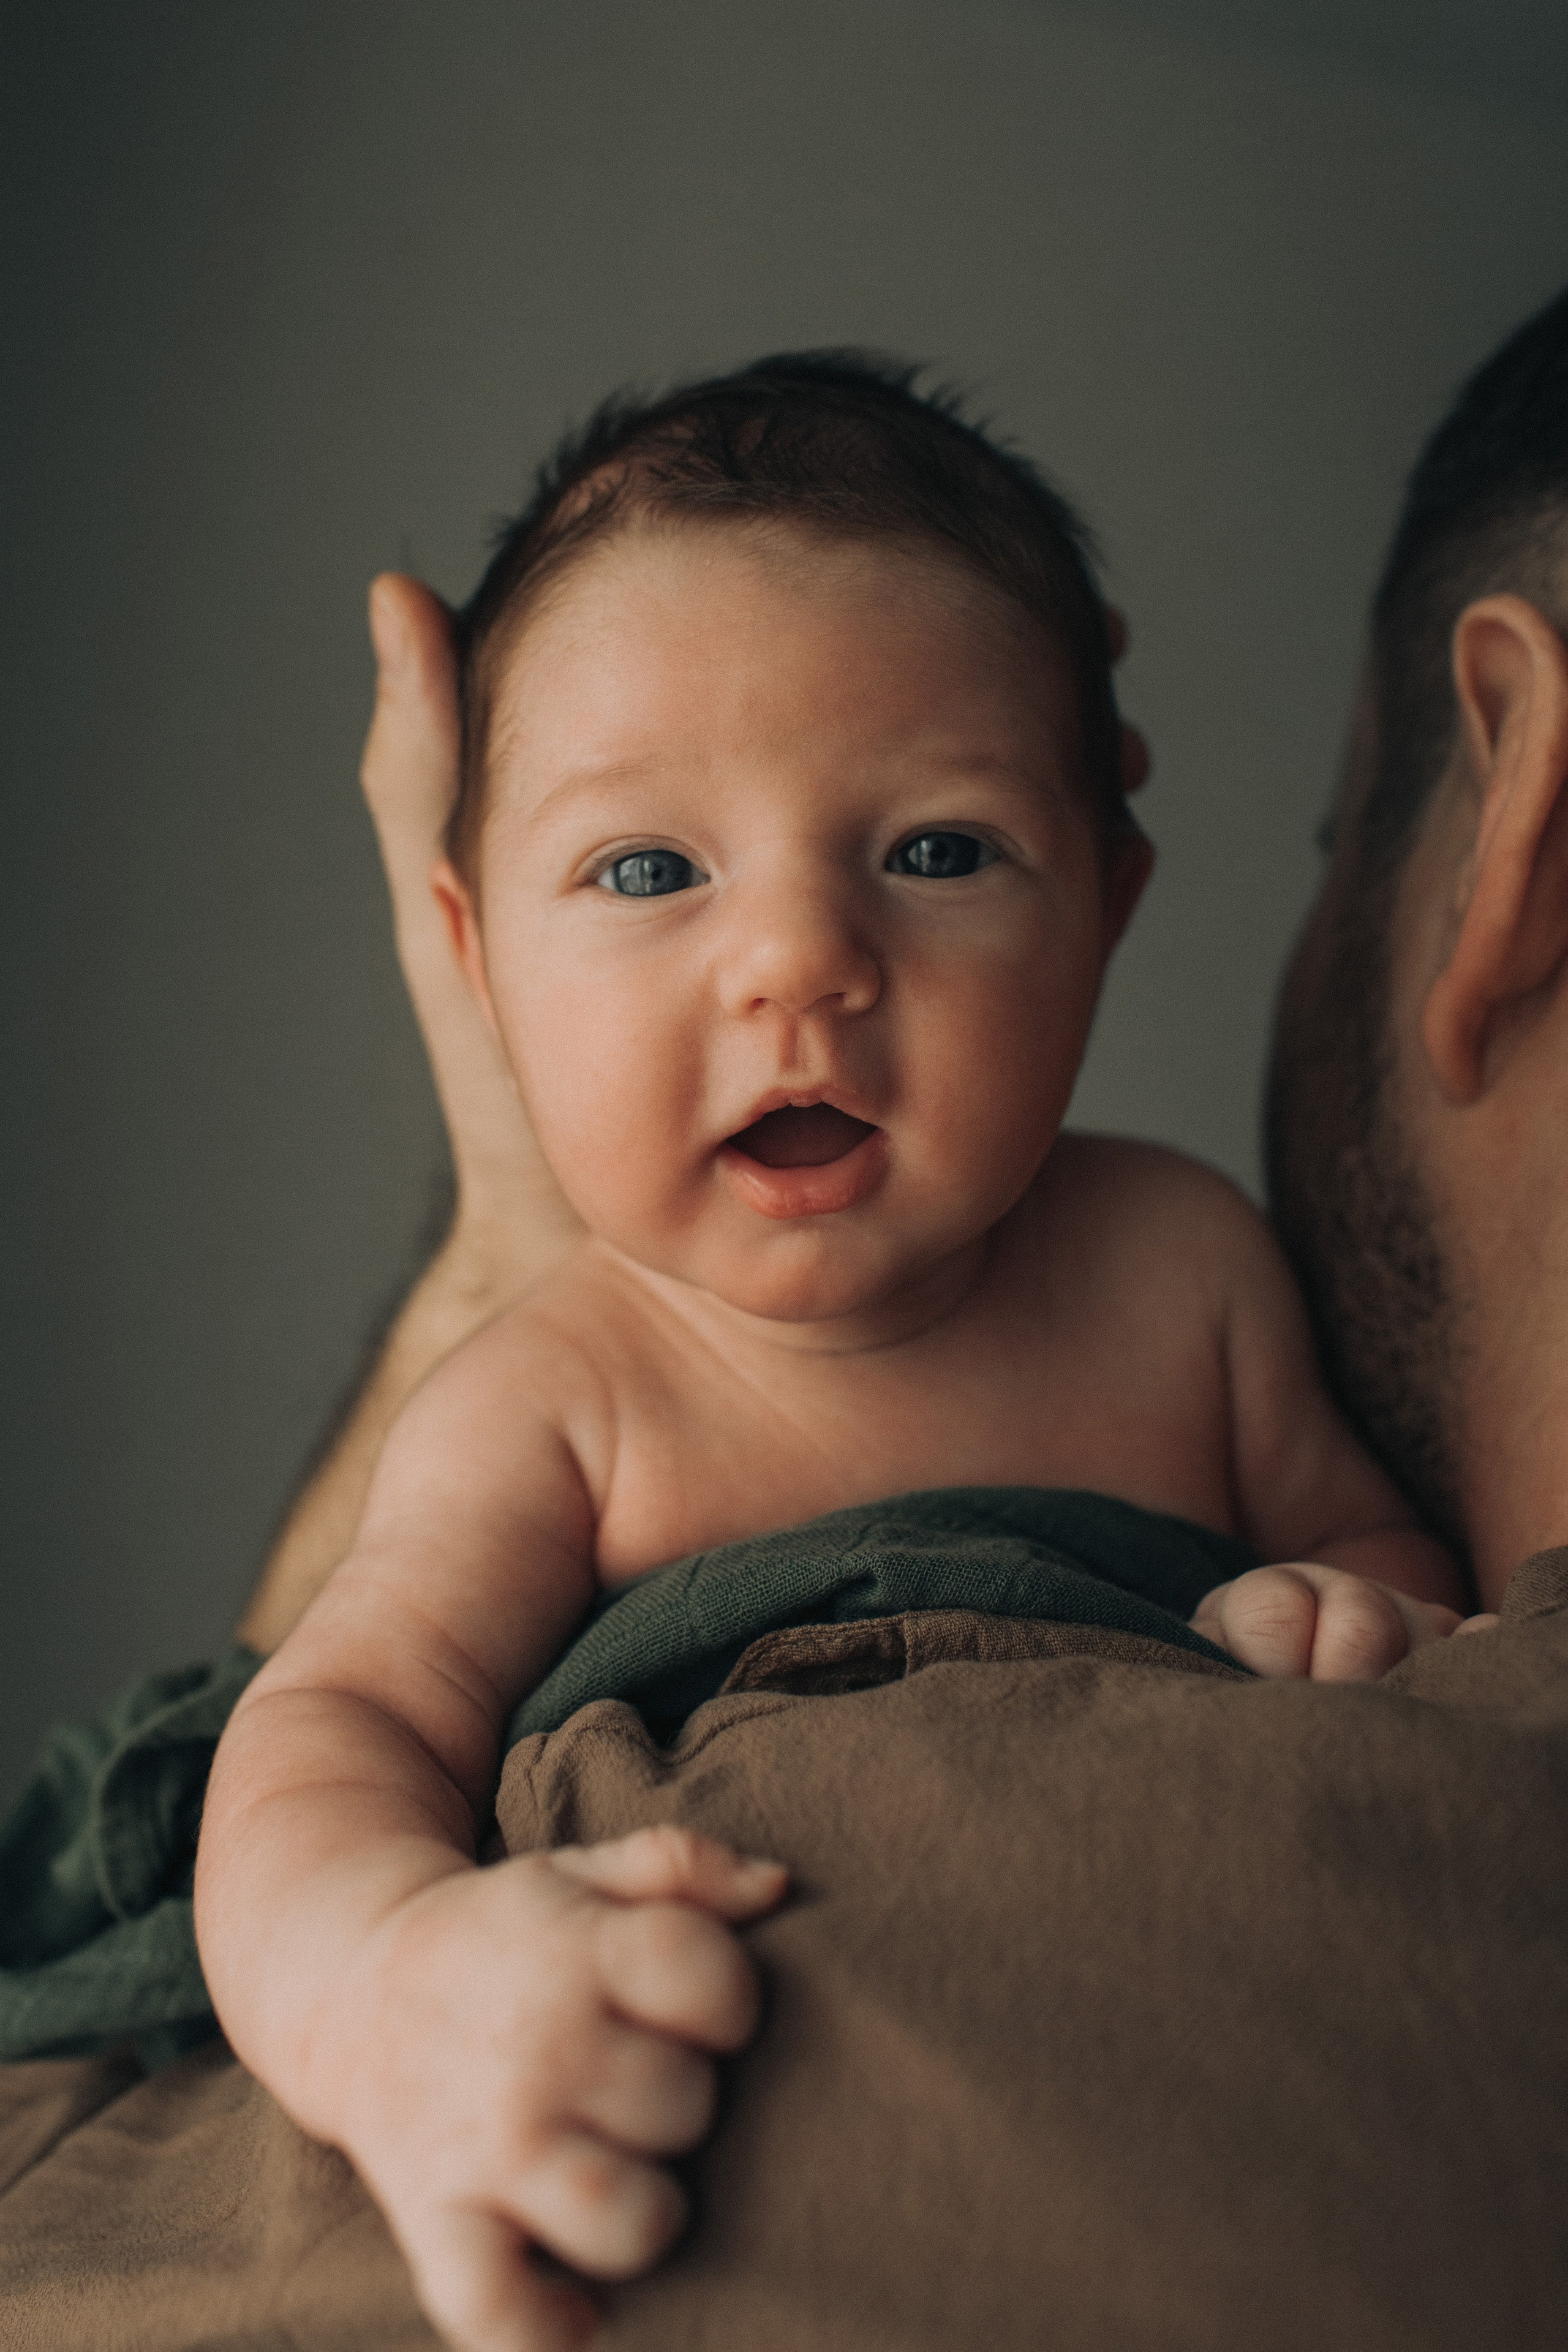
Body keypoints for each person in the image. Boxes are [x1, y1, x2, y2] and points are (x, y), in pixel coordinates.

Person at [195, 355, 1476, 2352]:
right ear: (471, 954)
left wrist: (1353, 1615)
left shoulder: (1186, 1269)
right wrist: (382, 1991)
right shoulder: (559, 1398)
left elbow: (1383, 1557)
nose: (797, 960)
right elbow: (325, 1739)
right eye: (649, 871)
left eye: (940, 851)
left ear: (1107, 908)